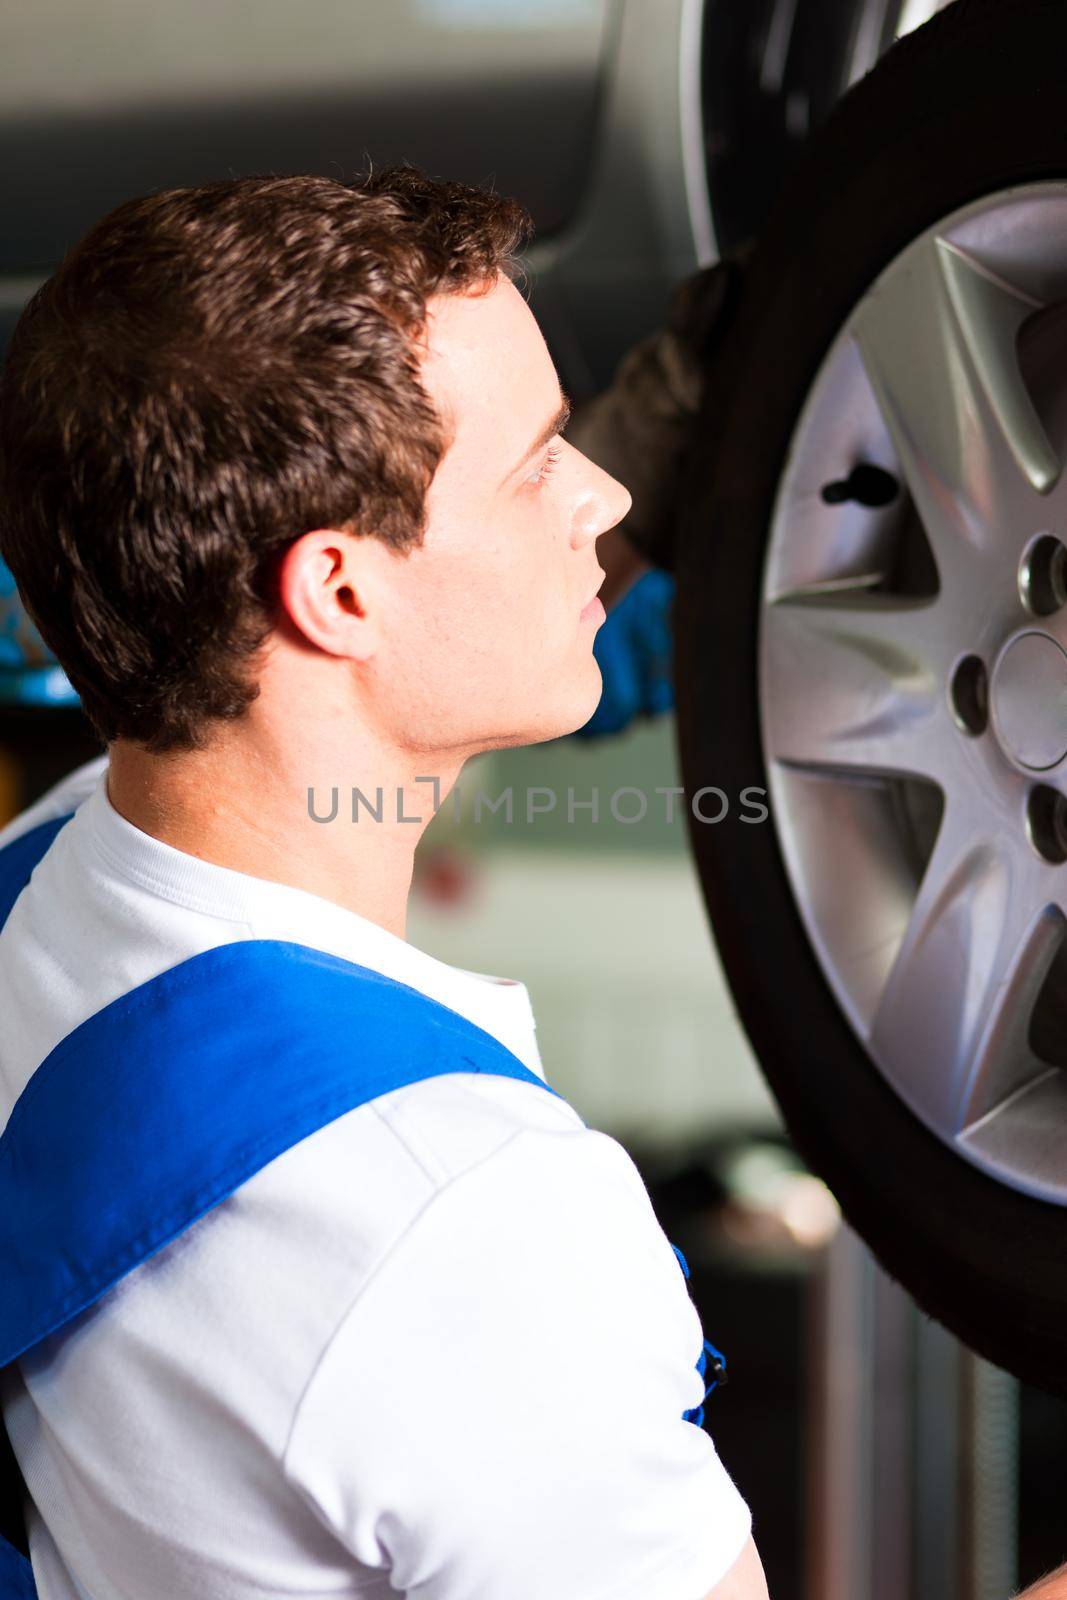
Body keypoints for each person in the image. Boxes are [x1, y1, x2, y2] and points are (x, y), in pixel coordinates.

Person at [0, 165, 769, 1599]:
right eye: (543, 457)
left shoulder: (40, 880)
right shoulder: (465, 1225)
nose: (599, 489)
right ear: (339, 592)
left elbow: (388, 689)